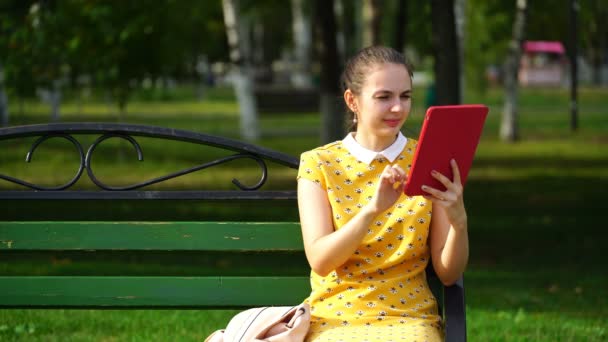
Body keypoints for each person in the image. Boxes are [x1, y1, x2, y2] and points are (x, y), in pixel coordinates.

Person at [296, 46, 469, 342]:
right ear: (353, 101)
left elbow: (449, 274)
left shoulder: (429, 158)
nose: (398, 108)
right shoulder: (319, 164)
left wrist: (459, 221)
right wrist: (371, 211)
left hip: (410, 318)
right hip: (335, 319)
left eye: (405, 96)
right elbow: (321, 261)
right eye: (384, 97)